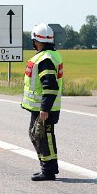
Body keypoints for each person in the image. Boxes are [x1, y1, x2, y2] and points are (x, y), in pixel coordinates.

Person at [22, 23, 64, 181]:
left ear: (36, 41)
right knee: (39, 136)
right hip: (42, 107)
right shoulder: (50, 55)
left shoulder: (45, 59)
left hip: (45, 108)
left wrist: (44, 109)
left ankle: (48, 171)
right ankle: (47, 168)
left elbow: (50, 86)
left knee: (43, 137)